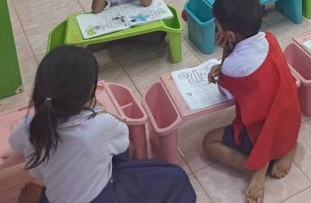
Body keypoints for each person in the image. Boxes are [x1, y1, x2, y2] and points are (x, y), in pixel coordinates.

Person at [10, 46, 195, 203]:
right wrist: (102, 111)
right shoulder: (101, 123)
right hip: (104, 197)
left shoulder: (29, 126)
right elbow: (125, 146)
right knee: (175, 177)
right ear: (91, 91)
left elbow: (15, 144)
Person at [202, 0, 301, 203]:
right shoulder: (270, 39)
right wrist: (226, 65)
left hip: (261, 132)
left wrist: (225, 57)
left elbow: (225, 93)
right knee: (279, 120)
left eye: (217, 26)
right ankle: (287, 147)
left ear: (229, 36)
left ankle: (255, 166)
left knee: (208, 142)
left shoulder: (232, 66)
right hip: (290, 120)